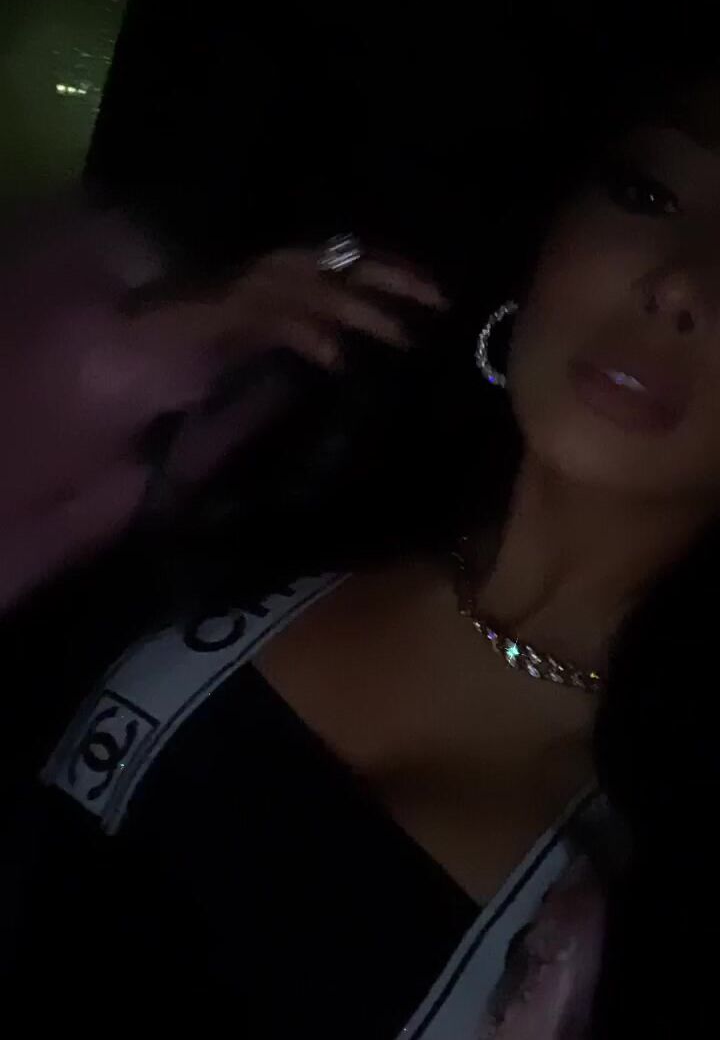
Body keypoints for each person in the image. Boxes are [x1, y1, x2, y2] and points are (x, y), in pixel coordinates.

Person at [3, 73, 720, 1037]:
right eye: (647, 193)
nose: (679, 284)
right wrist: (110, 372)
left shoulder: (657, 863)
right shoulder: (287, 465)